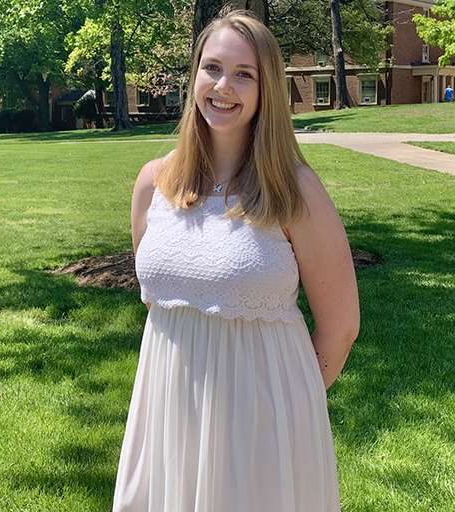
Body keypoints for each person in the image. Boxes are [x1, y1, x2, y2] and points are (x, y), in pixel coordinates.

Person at [113, 9, 360, 512]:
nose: (224, 85)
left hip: (262, 429)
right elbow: (163, 304)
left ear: (266, 89)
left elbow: (340, 327)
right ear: (195, 76)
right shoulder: (152, 184)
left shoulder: (296, 191)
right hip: (168, 415)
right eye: (213, 68)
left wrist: (289, 408)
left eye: (244, 74)